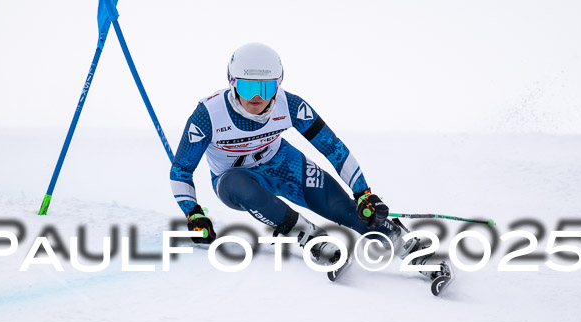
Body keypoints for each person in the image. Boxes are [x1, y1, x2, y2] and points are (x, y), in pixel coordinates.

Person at [170, 42, 447, 282]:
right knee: (238, 181)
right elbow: (181, 171)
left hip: (282, 164)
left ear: (278, 84)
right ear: (232, 83)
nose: (256, 97)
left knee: (345, 208)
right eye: (247, 86)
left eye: (266, 88)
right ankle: (308, 236)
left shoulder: (290, 105)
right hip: (233, 181)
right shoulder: (208, 115)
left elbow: (333, 148)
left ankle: (407, 247)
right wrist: (193, 213)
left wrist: (363, 193)